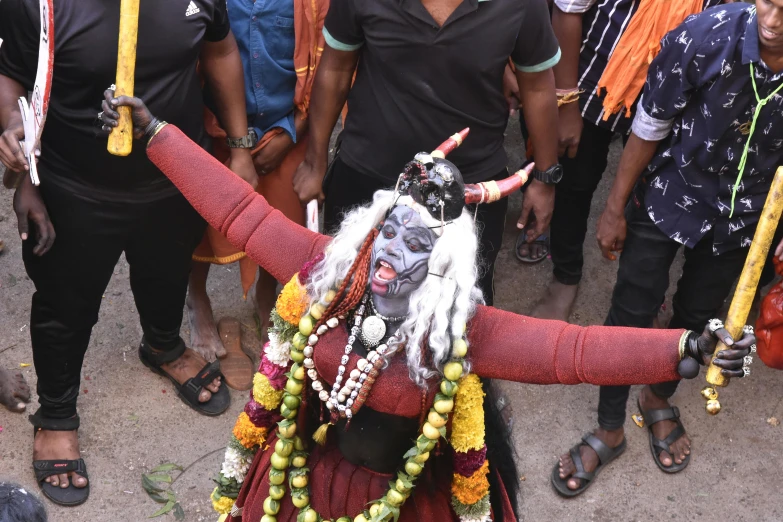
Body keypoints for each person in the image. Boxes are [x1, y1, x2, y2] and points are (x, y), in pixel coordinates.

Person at [101, 95, 753, 521]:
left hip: (401, 502)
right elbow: (238, 212)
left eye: (413, 244)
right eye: (388, 232)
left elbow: (571, 352)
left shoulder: (460, 330)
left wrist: (687, 346)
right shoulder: (327, 273)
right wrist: (156, 133)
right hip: (295, 482)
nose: (390, 255)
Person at [0, 0, 255, 506]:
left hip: (174, 177)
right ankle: (55, 413)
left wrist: (240, 145)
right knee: (64, 306)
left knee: (167, 272)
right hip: (74, 187)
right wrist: (17, 143)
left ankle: (161, 345)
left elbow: (220, 50)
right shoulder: (39, 4)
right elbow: (11, 76)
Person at [555, 0, 783, 497]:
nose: (771, 21)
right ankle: (610, 427)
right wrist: (614, 209)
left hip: (742, 220)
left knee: (698, 317)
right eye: (769, 3)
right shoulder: (702, 37)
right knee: (629, 314)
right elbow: (649, 126)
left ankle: (657, 398)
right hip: (671, 198)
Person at [290, 0, 563, 305]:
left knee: (453, 314)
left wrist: (544, 178)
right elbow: (336, 67)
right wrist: (315, 163)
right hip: (367, 177)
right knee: (344, 297)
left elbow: (538, 86)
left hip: (471, 191)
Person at [528, 0, 724, 318]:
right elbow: (568, 9)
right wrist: (565, 101)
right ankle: (565, 276)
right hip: (595, 81)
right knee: (574, 181)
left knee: (652, 198)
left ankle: (645, 291)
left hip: (675, 97)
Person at [186, 0, 329, 378]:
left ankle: (268, 293)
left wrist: (294, 128)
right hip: (212, 122)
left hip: (288, 126)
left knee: (280, 226)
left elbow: (328, 66)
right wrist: (237, 146)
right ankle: (197, 298)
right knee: (198, 224)